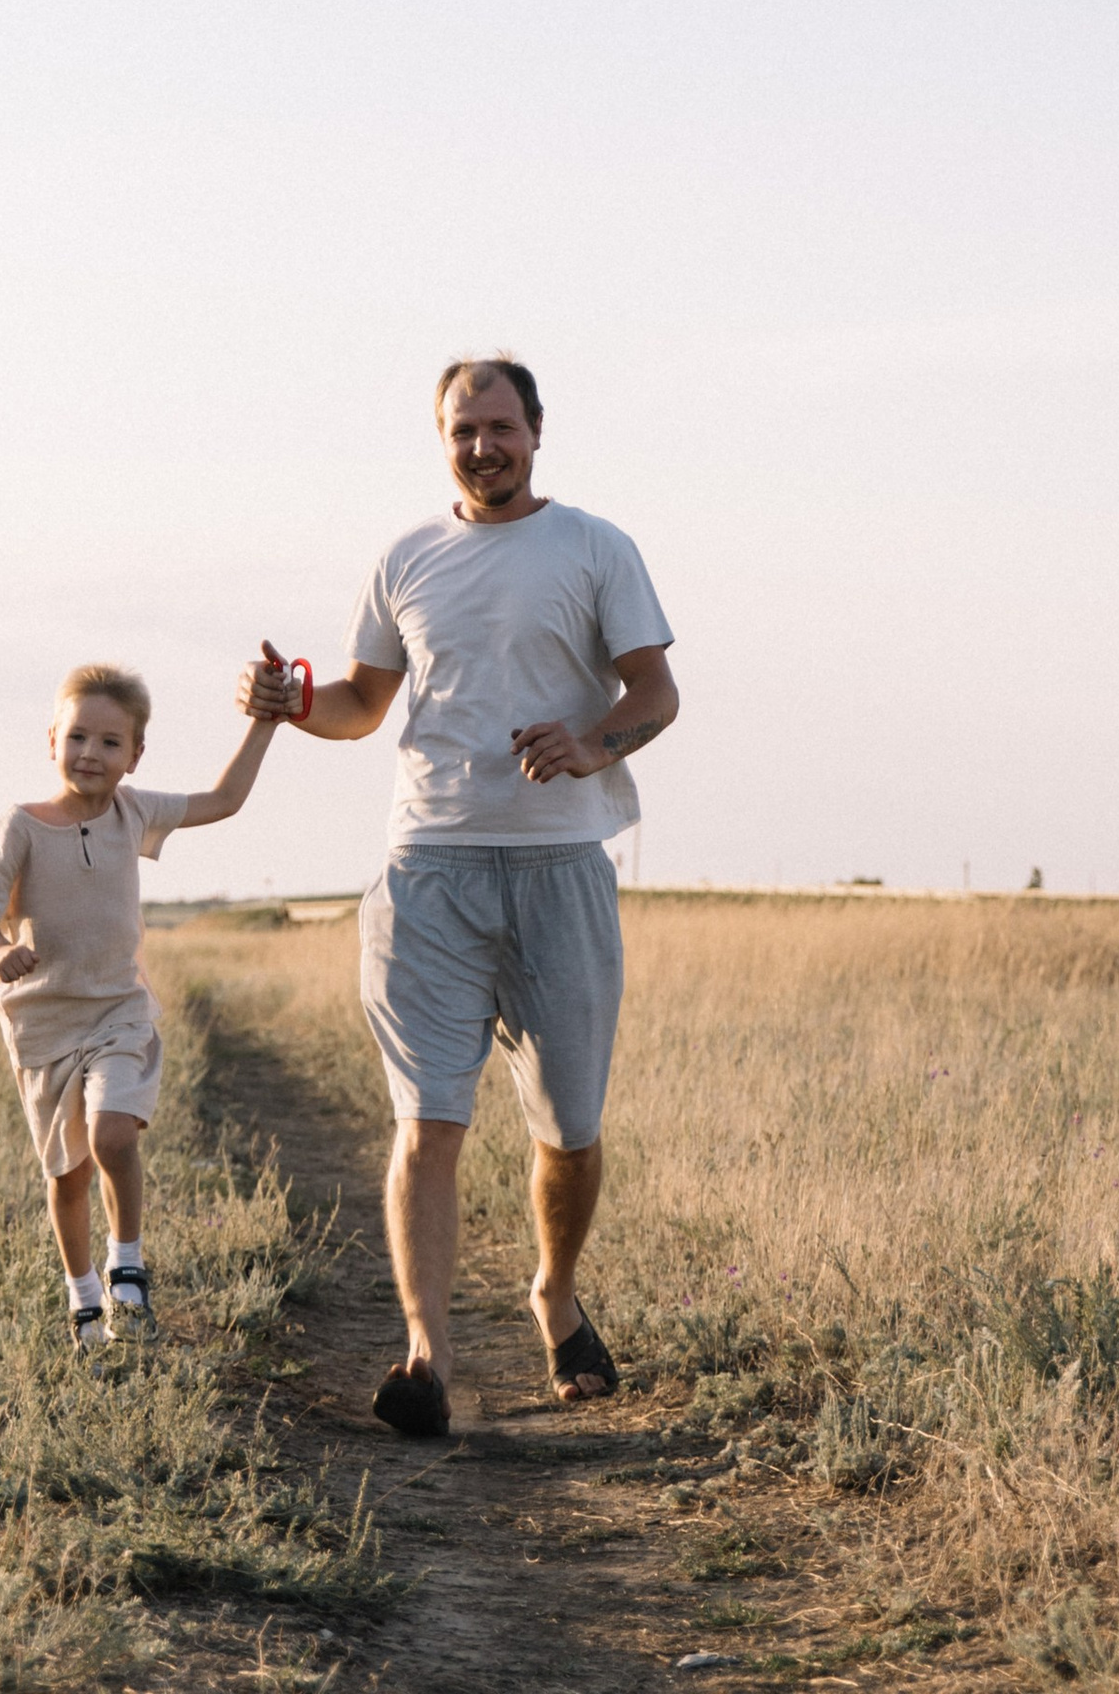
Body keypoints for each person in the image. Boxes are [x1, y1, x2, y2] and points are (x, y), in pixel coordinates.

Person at [239, 353, 677, 1438]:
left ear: (535, 432)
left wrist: (591, 741)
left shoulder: (593, 546)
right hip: (425, 868)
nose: (482, 445)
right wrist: (294, 701)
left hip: (559, 868)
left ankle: (554, 1292)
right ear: (441, 439)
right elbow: (361, 705)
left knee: (568, 1128)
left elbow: (655, 689)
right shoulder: (405, 556)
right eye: (461, 429)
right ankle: (425, 1356)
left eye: (499, 426)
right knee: (426, 1119)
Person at [0, 658, 278, 1348]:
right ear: (51, 741)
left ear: (134, 753)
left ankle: (127, 1262)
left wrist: (264, 721)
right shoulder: (22, 825)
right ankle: (84, 1295)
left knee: (112, 1134)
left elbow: (223, 799)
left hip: (118, 1011)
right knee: (66, 1174)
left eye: (107, 741)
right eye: (76, 737)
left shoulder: (137, 812)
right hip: (43, 1022)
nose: (89, 753)